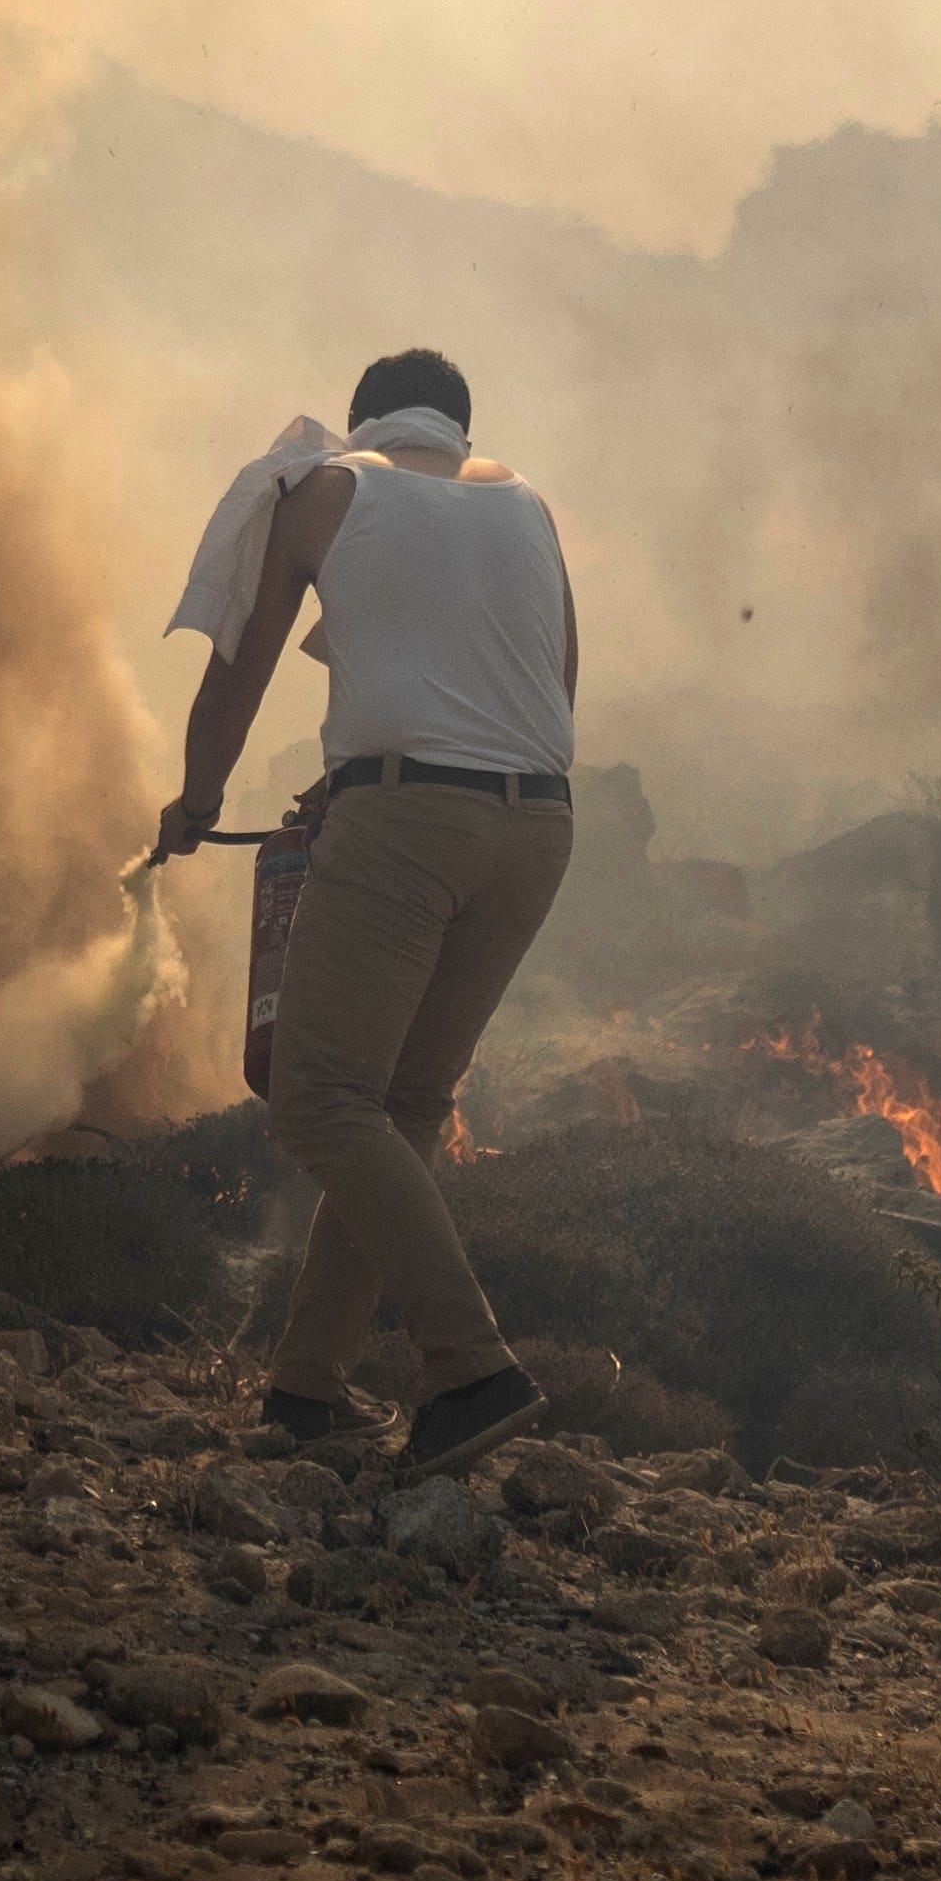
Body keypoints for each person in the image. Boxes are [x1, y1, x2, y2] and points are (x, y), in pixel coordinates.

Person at [157, 344, 579, 1477]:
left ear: (362, 424)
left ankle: (472, 1366)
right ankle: (306, 1391)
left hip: (409, 825)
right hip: (539, 825)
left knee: (319, 1096)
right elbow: (551, 685)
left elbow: (236, 677)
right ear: (457, 430)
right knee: (400, 1107)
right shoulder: (528, 508)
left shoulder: (327, 491)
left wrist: (196, 805)